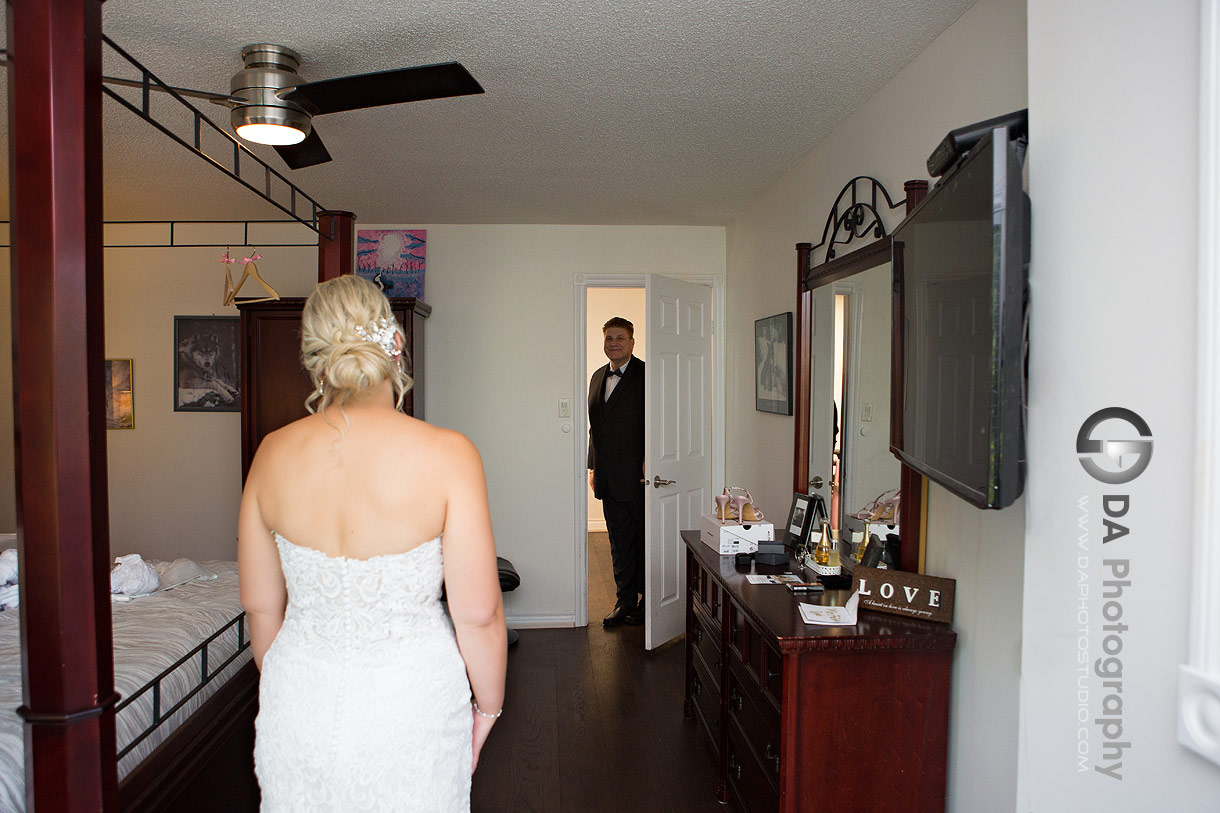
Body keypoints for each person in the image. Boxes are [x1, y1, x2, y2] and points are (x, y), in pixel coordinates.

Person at [238, 275, 506, 812]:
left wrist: (296, 687)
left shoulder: (270, 454)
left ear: (314, 357)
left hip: (299, 700)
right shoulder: (450, 454)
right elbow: (477, 615)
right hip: (411, 703)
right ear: (397, 344)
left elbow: (261, 608)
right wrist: (489, 710)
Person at [587, 316, 646, 627]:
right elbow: (595, 429)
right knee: (618, 541)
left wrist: (653, 459)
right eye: (609, 338)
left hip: (641, 479)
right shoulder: (598, 377)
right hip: (608, 477)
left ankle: (649, 602)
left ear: (632, 342)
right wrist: (593, 466)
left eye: (620, 338)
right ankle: (624, 601)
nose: (614, 343)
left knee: (643, 540)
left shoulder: (647, 374)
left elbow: (657, 423)